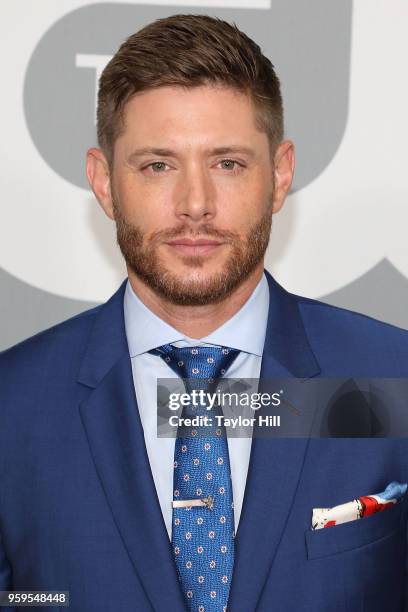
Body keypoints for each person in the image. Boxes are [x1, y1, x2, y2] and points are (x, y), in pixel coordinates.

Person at [1, 14, 408, 612]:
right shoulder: (11, 405)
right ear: (105, 183)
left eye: (228, 164)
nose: (196, 205)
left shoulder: (394, 378)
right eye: (157, 165)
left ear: (280, 175)